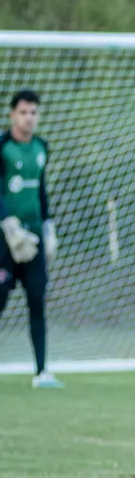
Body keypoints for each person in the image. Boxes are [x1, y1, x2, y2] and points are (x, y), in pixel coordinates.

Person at [0, 89, 63, 389]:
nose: (29, 118)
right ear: (12, 114)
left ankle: (41, 372)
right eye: (24, 112)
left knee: (37, 301)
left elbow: (40, 190)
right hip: (5, 241)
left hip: (33, 239)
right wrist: (8, 224)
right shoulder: (2, 147)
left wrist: (48, 225)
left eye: (34, 112)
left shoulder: (41, 148)